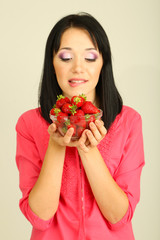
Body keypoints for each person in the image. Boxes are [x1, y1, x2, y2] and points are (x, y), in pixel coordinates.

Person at [15, 12, 145, 240]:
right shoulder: (29, 124)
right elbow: (40, 217)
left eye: (90, 57)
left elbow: (119, 216)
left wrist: (88, 149)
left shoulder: (129, 121)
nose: (78, 67)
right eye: (65, 57)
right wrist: (56, 145)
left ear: (103, 62)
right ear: (52, 63)